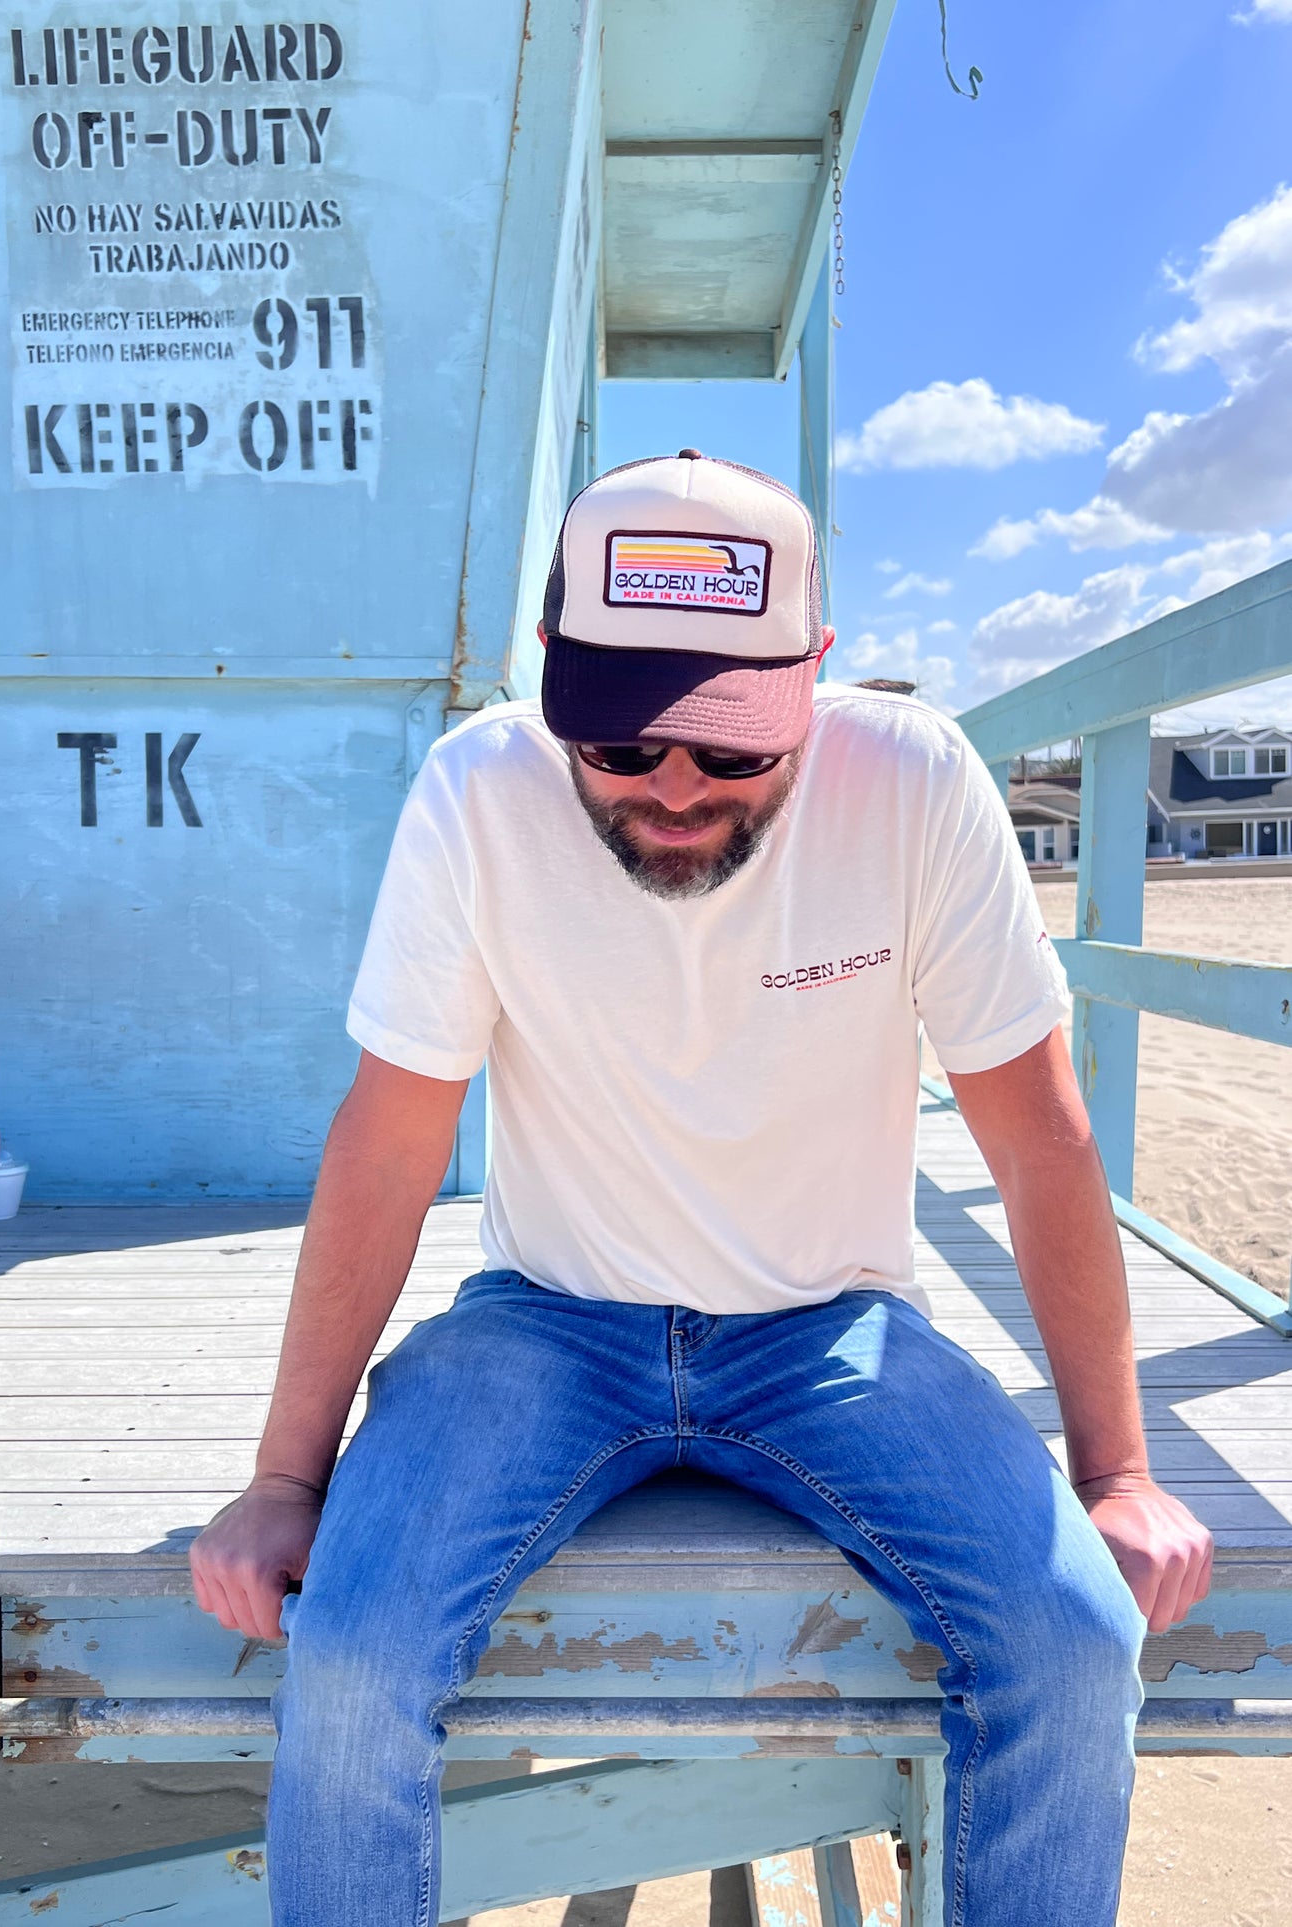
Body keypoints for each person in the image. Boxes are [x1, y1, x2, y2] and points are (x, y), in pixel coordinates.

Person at [191, 451, 1213, 1927]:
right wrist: (285, 1482)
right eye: (617, 743)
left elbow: (1039, 1138)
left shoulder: (912, 784)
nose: (673, 788)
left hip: (827, 1329)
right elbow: (391, 1139)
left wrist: (1115, 1476)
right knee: (349, 1651)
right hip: (548, 1321)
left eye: (734, 750)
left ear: (817, 672)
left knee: (1069, 1637)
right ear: (547, 671)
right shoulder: (478, 792)